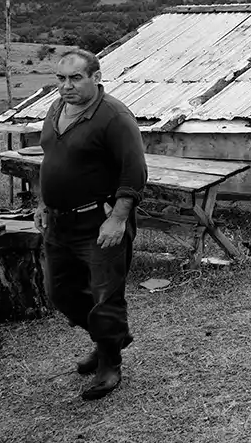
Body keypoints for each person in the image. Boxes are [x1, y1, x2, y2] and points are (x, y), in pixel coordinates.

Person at [34, 49, 147, 401]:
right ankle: (109, 336)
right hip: (59, 222)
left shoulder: (113, 116)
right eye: (61, 79)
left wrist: (118, 218)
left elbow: (134, 171)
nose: (66, 86)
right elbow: (51, 159)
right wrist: (42, 202)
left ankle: (109, 363)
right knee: (61, 292)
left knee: (105, 295)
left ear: (96, 78)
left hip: (99, 221)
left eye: (75, 78)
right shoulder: (56, 109)